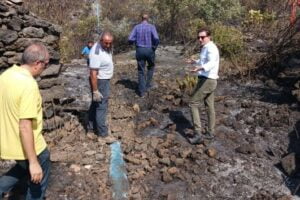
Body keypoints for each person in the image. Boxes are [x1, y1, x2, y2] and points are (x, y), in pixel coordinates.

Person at [0, 43, 51, 199]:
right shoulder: (28, 85)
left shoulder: (6, 75)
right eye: (46, 64)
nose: (46, 67)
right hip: (32, 146)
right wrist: (34, 162)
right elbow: (25, 126)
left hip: (10, 145)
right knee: (37, 179)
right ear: (37, 64)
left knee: (23, 167)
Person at [186, 28, 220, 145]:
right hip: (209, 79)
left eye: (202, 37)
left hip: (207, 80)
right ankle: (210, 132)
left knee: (193, 103)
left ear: (209, 37)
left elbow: (211, 63)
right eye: (198, 37)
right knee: (209, 105)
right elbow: (203, 61)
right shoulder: (206, 47)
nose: (200, 39)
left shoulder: (211, 48)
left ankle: (198, 134)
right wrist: (194, 62)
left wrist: (200, 68)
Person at [88, 31, 114, 137]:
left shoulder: (105, 48)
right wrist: (95, 91)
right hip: (100, 81)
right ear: (101, 41)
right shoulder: (96, 53)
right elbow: (93, 73)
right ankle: (103, 134)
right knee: (101, 107)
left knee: (95, 105)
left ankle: (91, 129)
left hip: (103, 79)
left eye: (110, 43)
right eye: (106, 43)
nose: (108, 45)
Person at [128, 14, 159, 97]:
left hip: (139, 49)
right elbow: (156, 38)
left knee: (141, 70)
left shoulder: (137, 27)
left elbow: (130, 39)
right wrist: (154, 48)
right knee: (151, 67)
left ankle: (142, 92)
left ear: (141, 19)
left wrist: (132, 43)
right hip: (149, 49)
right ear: (147, 19)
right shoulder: (152, 27)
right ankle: (147, 86)